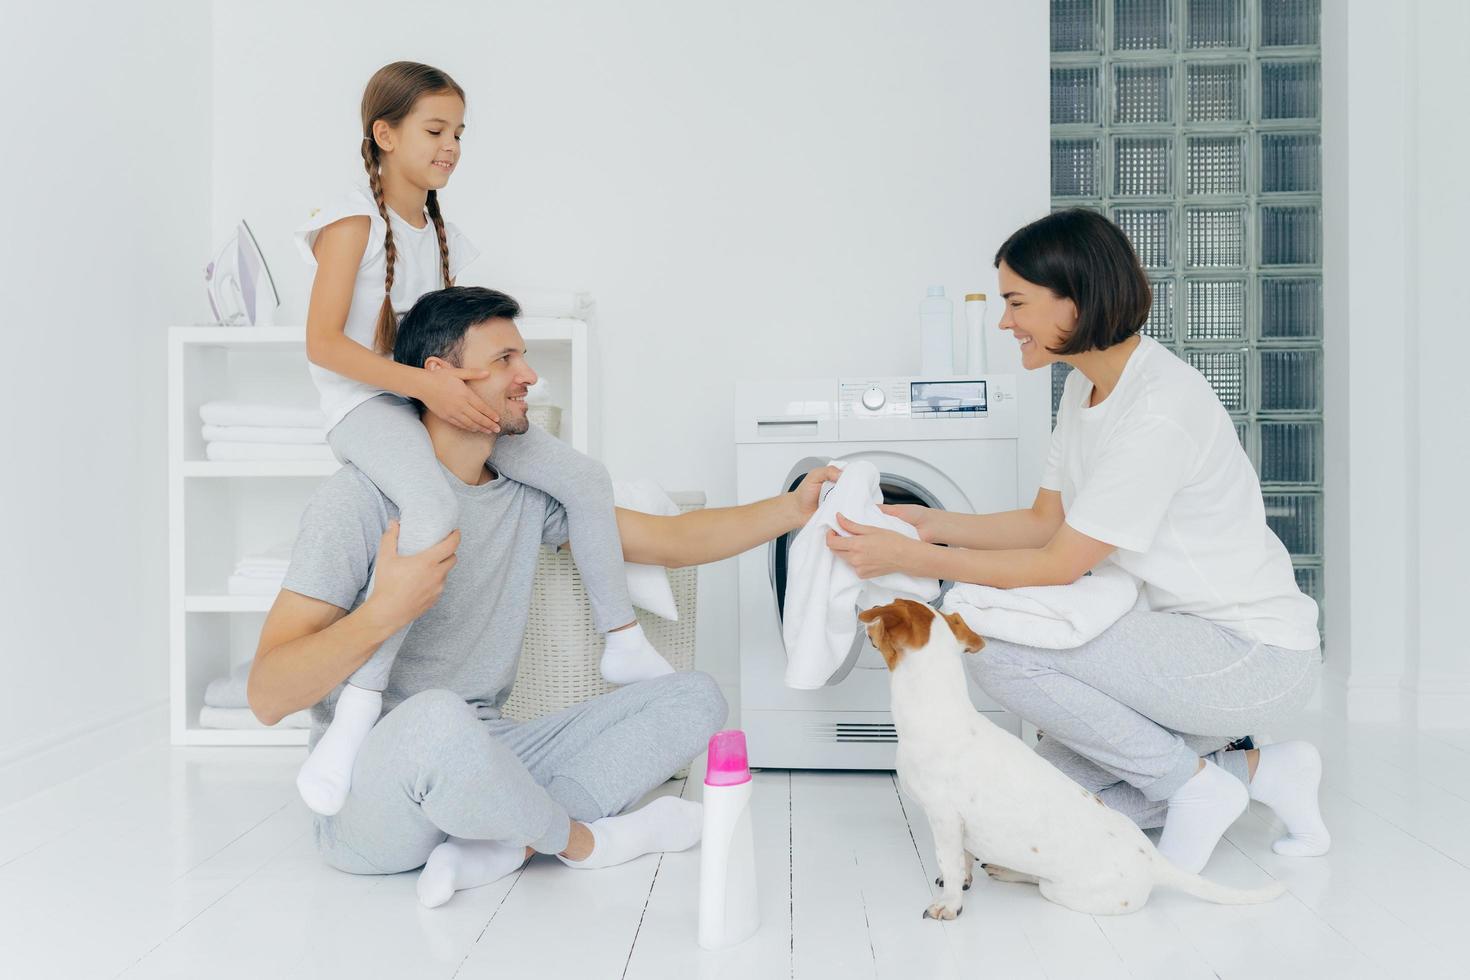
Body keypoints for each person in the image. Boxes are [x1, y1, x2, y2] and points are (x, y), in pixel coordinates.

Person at [248, 285, 841, 907]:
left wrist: (794, 508)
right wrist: (383, 612)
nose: (528, 376)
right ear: (439, 377)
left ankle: (505, 841)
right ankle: (586, 841)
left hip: (488, 746)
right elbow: (266, 695)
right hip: (375, 796)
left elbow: (670, 539)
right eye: (505, 360)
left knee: (696, 698)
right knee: (436, 718)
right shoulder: (357, 502)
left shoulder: (526, 496)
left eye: (523, 357)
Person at [825, 209, 1329, 873]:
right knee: (1036, 820)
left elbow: (1060, 563)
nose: (1006, 323)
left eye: (1016, 302)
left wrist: (911, 560)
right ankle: (1264, 773)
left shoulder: (1157, 409)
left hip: (1248, 658)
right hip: (1171, 652)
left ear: (1079, 299)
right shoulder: (1088, 390)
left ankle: (1194, 788)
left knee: (989, 640)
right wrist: (922, 523)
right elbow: (1043, 522)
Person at [295, 62, 672, 818]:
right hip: (368, 410)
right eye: (436, 130)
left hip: (426, 399)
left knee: (583, 478)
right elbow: (322, 346)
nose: (452, 146)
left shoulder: (443, 235)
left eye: (459, 132)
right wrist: (428, 388)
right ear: (385, 133)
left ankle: (623, 638)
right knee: (435, 511)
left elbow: (449, 345)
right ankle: (359, 714)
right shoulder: (350, 223)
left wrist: (452, 387)